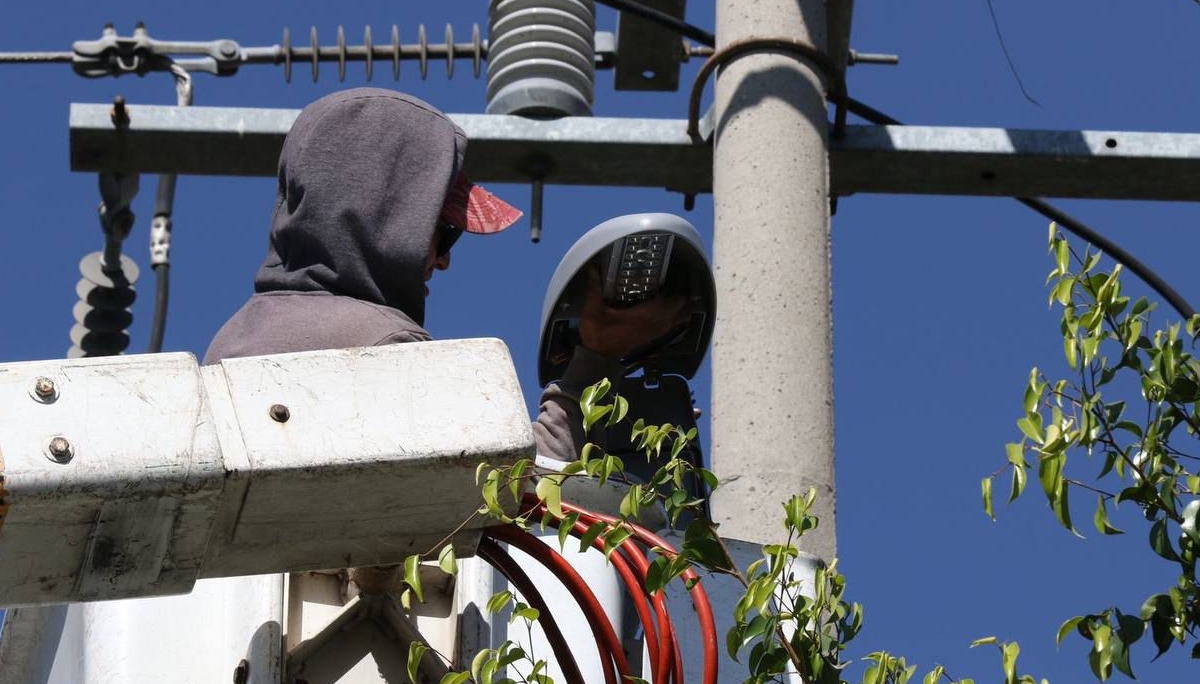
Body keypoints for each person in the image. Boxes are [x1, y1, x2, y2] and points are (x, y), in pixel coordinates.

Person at [204, 87, 685, 461]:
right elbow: (510, 500)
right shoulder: (385, 347)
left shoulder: (229, 344)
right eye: (443, 231)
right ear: (384, 217)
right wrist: (596, 358)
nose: (444, 259)